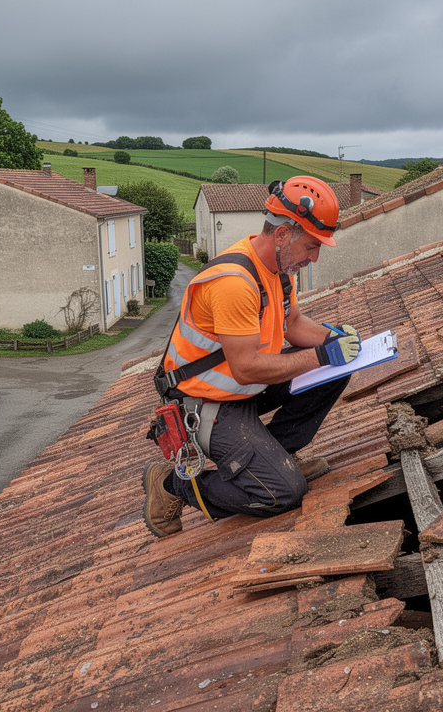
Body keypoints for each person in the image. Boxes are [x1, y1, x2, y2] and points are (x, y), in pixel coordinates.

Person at [142, 176, 362, 537]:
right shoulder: (234, 283)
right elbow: (245, 368)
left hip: (243, 389)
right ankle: (172, 486)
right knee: (282, 494)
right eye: (310, 246)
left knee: (335, 370)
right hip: (205, 402)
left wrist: (332, 337)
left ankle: (276, 457)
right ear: (281, 235)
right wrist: (322, 355)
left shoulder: (277, 270)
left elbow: (291, 323)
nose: (314, 257)